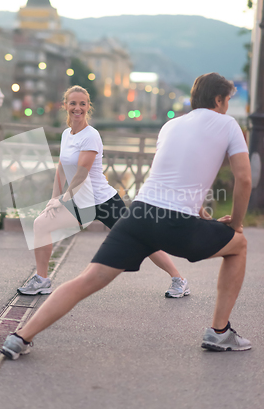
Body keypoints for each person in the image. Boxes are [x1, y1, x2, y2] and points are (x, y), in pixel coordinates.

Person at [2, 73, 252, 359]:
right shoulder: (228, 124)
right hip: (175, 222)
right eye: (228, 100)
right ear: (219, 99)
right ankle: (219, 333)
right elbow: (244, 180)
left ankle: (20, 337)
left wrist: (201, 212)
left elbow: (173, 176)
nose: (228, 107)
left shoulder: (170, 126)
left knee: (86, 280)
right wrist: (236, 222)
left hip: (138, 214)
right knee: (239, 245)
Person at [17, 85, 188, 299]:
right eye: (73, 103)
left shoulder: (91, 135)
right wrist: (53, 198)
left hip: (102, 200)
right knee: (40, 224)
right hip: (79, 201)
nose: (77, 108)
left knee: (140, 239)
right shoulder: (66, 135)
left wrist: (63, 199)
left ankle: (178, 279)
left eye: (82, 104)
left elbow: (81, 173)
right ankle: (42, 280)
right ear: (65, 106)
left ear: (88, 107)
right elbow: (61, 167)